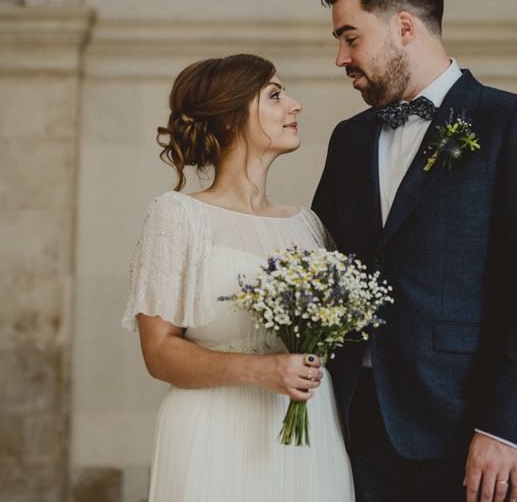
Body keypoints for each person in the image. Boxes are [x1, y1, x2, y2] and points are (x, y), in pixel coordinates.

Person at [312, 0, 517, 502]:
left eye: (350, 37)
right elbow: (323, 265)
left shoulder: (512, 123)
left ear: (403, 26)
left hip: (467, 429)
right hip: (353, 429)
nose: (340, 58)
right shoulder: (349, 139)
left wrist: (507, 428)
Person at [122, 54, 355, 501]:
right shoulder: (177, 217)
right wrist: (261, 370)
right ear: (230, 121)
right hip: (218, 433)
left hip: (310, 435)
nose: (295, 105)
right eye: (275, 95)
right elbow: (159, 352)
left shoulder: (308, 224)